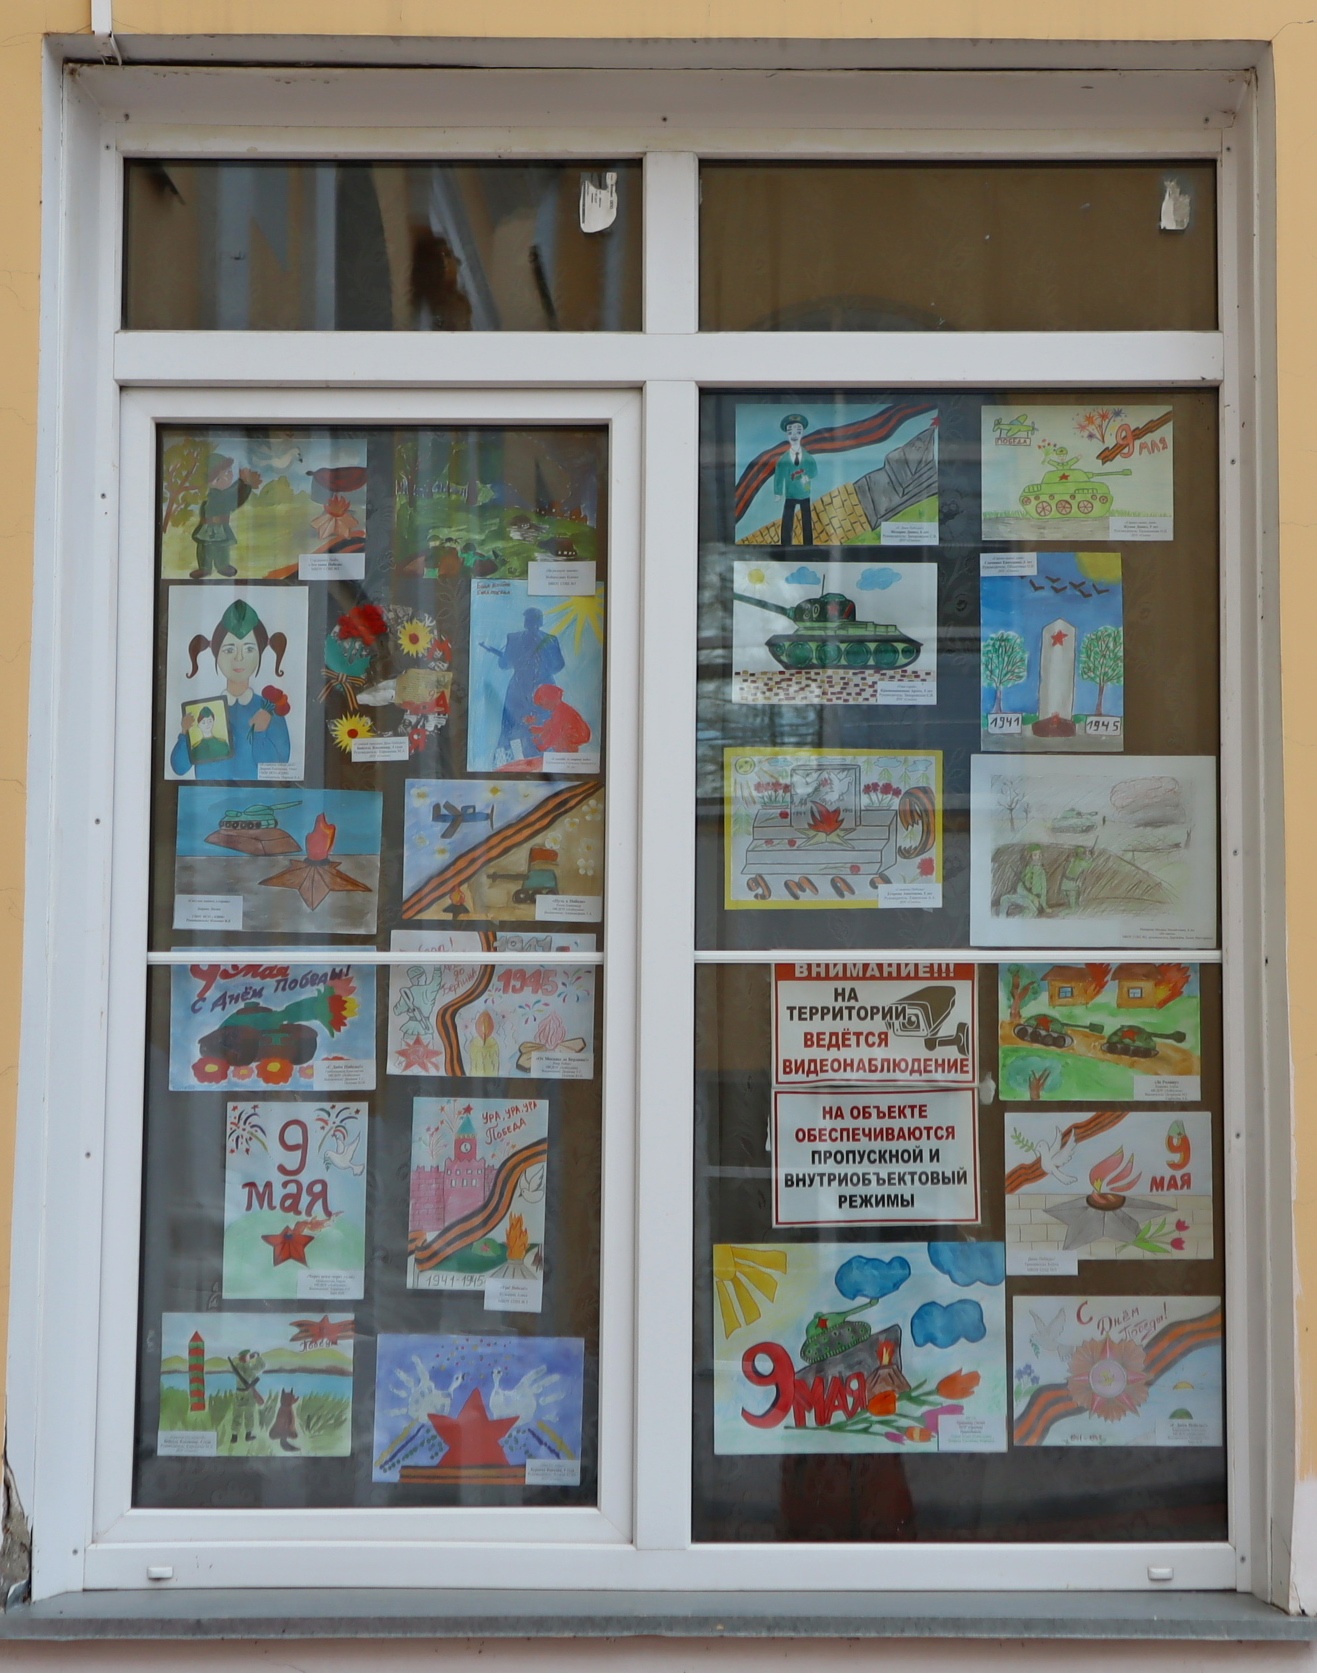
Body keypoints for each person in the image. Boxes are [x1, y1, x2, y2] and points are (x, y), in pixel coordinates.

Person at [170, 599, 291, 780]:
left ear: (260, 654)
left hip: (256, 795)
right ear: (216, 654)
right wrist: (184, 733)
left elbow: (279, 768)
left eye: (249, 649)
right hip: (208, 795)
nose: (239, 658)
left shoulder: (268, 709)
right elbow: (179, 768)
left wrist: (260, 733)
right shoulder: (203, 712)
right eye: (228, 650)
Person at [480, 608, 565, 764]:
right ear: (540, 621)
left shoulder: (516, 638)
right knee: (516, 728)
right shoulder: (548, 639)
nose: (530, 623)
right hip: (531, 689)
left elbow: (504, 664)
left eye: (530, 619)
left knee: (529, 727)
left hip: (531, 689)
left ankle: (526, 762)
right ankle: (512, 763)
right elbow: (558, 666)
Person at [190, 453, 262, 578]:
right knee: (204, 547)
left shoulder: (224, 495)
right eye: (218, 479)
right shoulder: (214, 495)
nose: (226, 478)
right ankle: (204, 567)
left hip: (220, 526)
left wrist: (245, 483)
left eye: (228, 472)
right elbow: (232, 495)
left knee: (222, 547)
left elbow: (235, 496)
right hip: (207, 527)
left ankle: (222, 566)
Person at [773, 413, 818, 546]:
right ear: (787, 434)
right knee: (788, 520)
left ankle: (808, 545)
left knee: (806, 520)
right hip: (790, 493)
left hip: (805, 492)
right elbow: (779, 476)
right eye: (790, 432)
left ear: (802, 433)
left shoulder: (808, 457)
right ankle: (785, 545)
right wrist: (778, 492)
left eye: (798, 431)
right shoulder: (784, 459)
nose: (794, 435)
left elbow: (814, 471)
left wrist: (807, 477)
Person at [526, 683, 592, 757]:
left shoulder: (560, 712)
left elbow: (555, 733)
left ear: (550, 699)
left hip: (580, 735)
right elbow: (552, 726)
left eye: (542, 704)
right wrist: (541, 729)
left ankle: (566, 755)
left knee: (559, 740)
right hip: (574, 733)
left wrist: (543, 747)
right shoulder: (559, 709)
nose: (543, 707)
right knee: (549, 724)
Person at [999, 844, 1049, 917]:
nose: (1038, 857)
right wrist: (1031, 897)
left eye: (1039, 855)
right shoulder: (1026, 870)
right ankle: (1001, 918)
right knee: (1004, 899)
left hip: (1035, 901)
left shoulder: (1041, 872)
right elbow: (1019, 888)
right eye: (1035, 855)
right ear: (1030, 856)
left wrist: (1044, 906)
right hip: (1025, 897)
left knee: (1032, 911)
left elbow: (1044, 890)